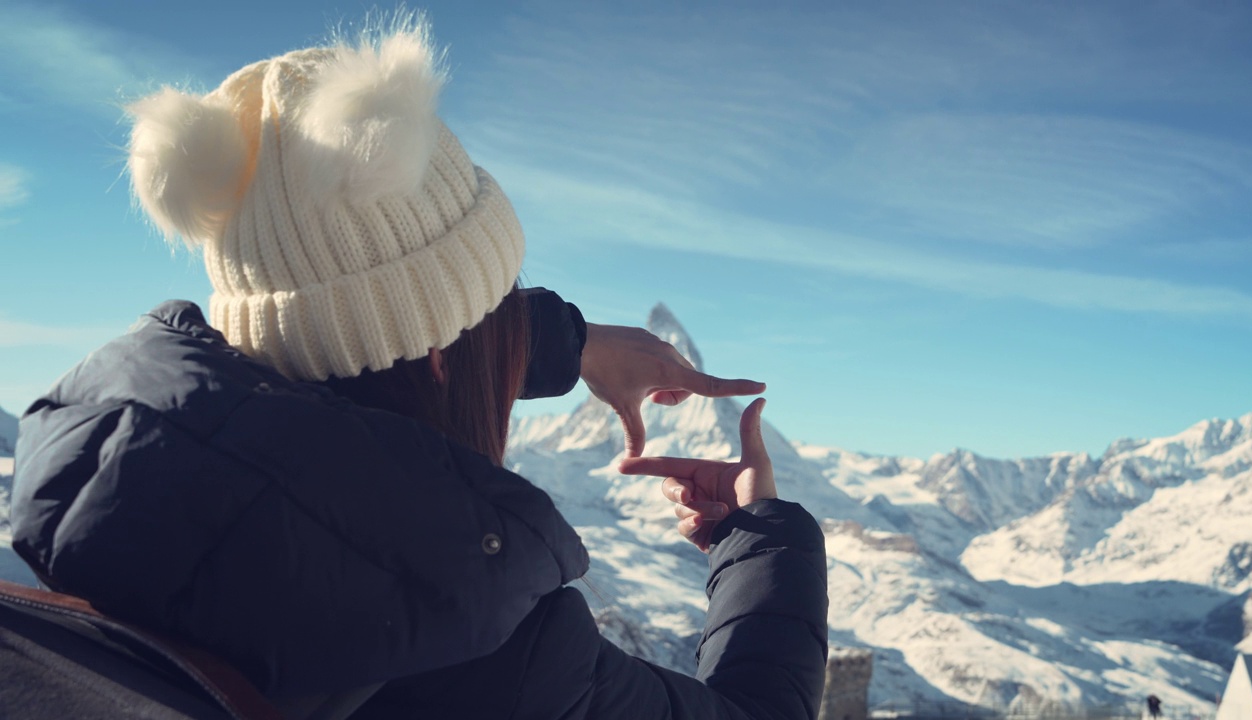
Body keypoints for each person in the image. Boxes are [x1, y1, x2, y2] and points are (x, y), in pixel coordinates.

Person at [9, 20, 828, 720]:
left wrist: (562, 340)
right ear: (446, 351)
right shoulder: (491, 656)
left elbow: (366, 325)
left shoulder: (78, 506)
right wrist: (758, 541)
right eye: (501, 304)